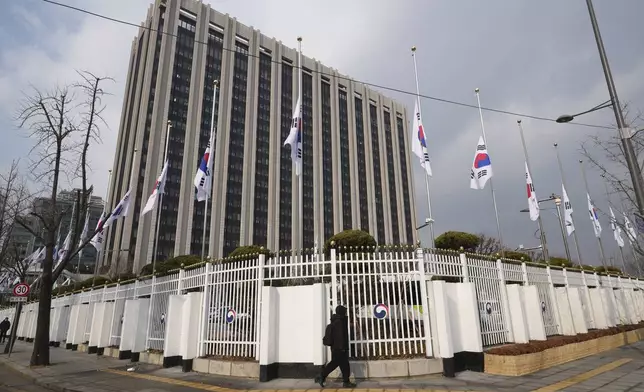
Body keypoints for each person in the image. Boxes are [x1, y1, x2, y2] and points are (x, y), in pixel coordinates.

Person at [315, 305, 356, 388]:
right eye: (344, 311)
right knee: (337, 364)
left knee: (342, 365)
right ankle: (321, 376)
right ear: (341, 312)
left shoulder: (336, 321)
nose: (345, 312)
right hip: (340, 349)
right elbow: (340, 337)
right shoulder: (340, 322)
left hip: (336, 348)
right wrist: (343, 348)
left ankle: (345, 381)